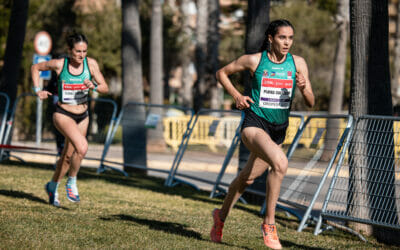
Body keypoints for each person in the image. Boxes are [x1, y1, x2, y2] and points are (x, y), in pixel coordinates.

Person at [210, 19, 315, 249]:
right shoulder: (255, 60)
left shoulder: (298, 63)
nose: (287, 42)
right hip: (254, 124)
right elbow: (222, 73)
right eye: (282, 37)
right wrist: (237, 96)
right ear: (271, 38)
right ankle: (269, 224)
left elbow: (311, 102)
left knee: (246, 178)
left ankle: (220, 217)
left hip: (278, 131)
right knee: (280, 162)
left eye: (290, 38)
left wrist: (304, 86)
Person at [31, 33, 109, 207]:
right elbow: (35, 68)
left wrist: (94, 85)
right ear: (69, 51)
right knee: (82, 147)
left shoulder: (91, 64)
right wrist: (38, 90)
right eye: (78, 52)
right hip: (63, 114)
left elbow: (105, 87)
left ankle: (52, 186)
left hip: (83, 115)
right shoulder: (60, 64)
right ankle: (71, 181)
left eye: (84, 51)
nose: (81, 55)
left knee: (67, 157)